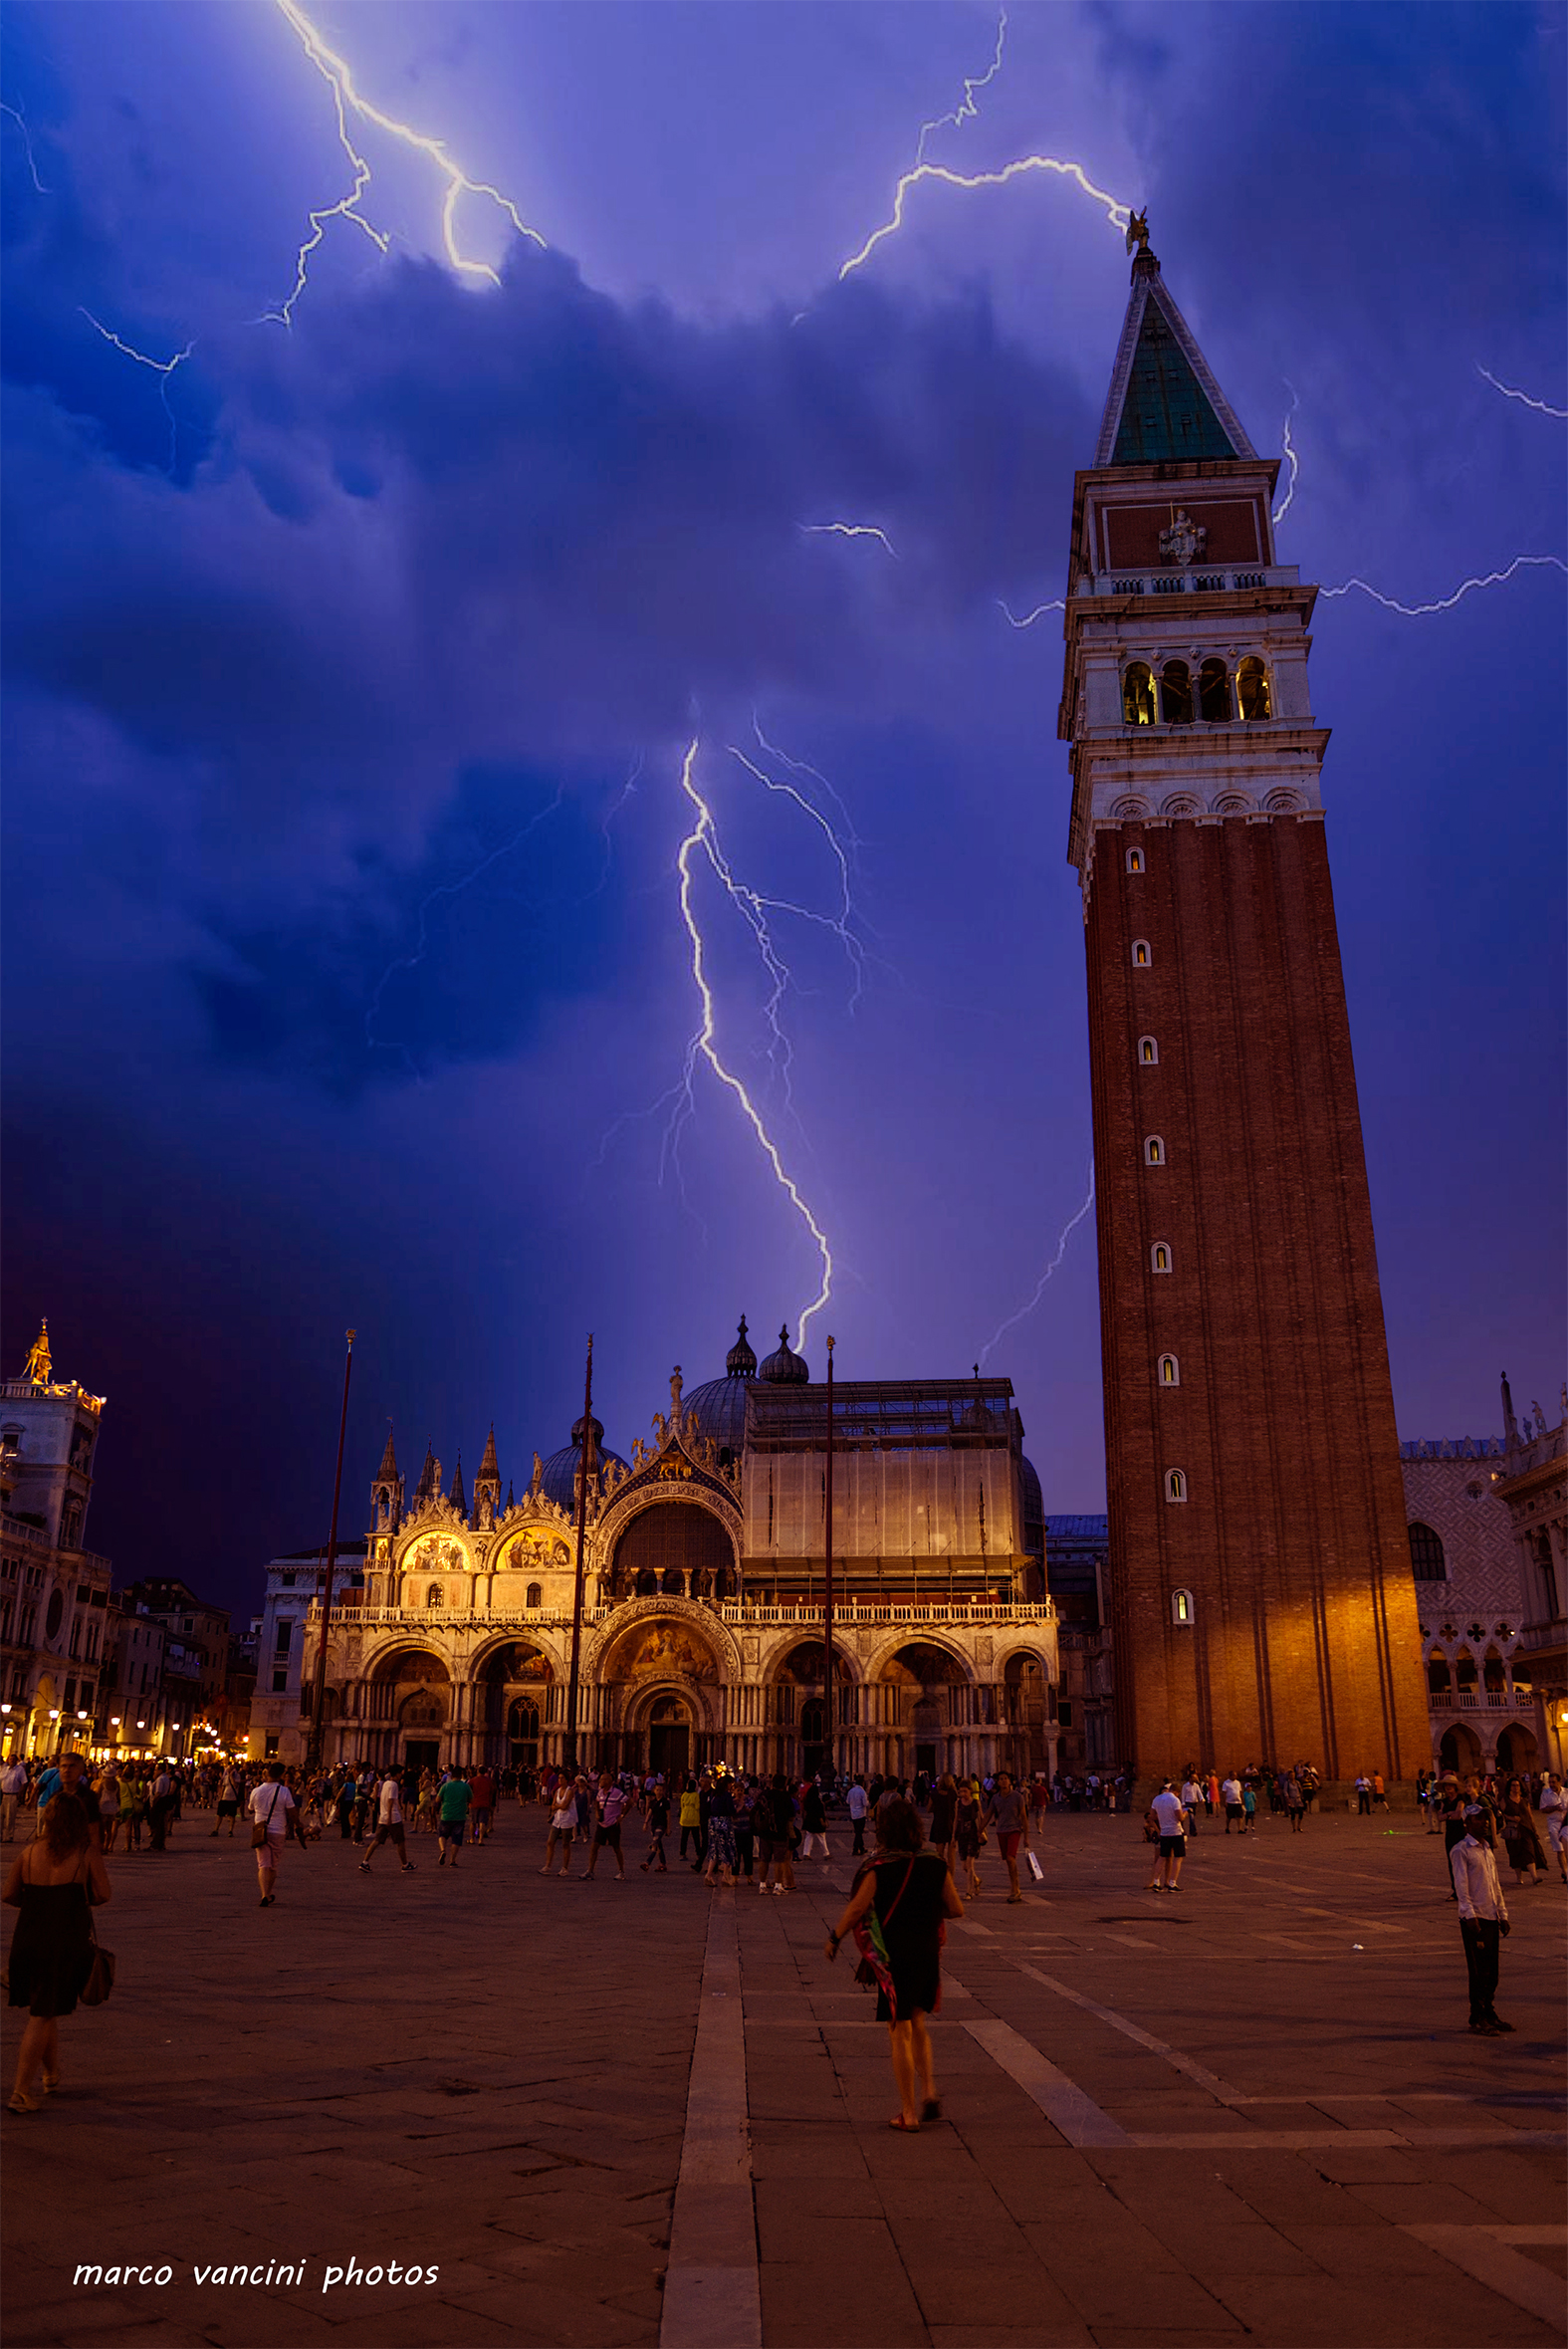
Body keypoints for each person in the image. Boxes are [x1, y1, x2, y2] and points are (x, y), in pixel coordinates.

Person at [823, 1795, 964, 2133]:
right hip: (927, 1950)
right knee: (919, 2023)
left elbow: (857, 1908)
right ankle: (929, 2089)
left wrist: (835, 1937)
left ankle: (908, 2113)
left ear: (884, 1830)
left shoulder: (879, 1867)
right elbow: (956, 1908)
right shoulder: (934, 1863)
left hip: (894, 1956)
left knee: (897, 2030)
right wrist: (925, 1911)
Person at [4, 1791, 112, 2112]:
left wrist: (38, 1902)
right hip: (64, 1941)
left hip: (28, 1937)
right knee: (42, 2014)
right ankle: (20, 2092)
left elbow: (9, 1894)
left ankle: (51, 2074)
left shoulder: (30, 1852)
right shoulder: (85, 1853)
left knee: (44, 2008)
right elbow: (103, 1894)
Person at [1452, 1811, 1512, 2034]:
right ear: (1467, 1824)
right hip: (1475, 1918)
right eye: (1478, 1819)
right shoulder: (1461, 1850)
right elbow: (1461, 1885)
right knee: (1479, 1972)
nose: (1484, 1822)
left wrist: (1503, 1914)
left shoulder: (1487, 1849)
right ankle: (1477, 2017)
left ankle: (1489, 2011)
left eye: (1485, 1819)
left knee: (1492, 1971)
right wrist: (1469, 1915)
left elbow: (1495, 1884)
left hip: (1491, 1916)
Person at [980, 1770, 1030, 1903]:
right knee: (1008, 1861)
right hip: (1001, 1830)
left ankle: (1016, 1890)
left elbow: (1024, 1817)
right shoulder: (995, 1798)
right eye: (1001, 1779)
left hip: (1014, 1830)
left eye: (1005, 1779)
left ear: (1010, 1781)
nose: (1003, 1781)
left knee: (1010, 1858)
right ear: (998, 1781)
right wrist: (979, 1830)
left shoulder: (1018, 1797)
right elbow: (988, 1815)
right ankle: (1014, 1887)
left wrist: (1026, 1837)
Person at [249, 1764, 295, 1907]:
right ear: (281, 1775)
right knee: (273, 1866)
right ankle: (268, 1893)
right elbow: (292, 1811)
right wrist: (297, 1823)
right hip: (278, 1831)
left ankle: (263, 1894)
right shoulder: (284, 1791)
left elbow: (250, 1808)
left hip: (260, 1831)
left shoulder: (256, 1791)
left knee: (263, 1864)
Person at [361, 1769, 416, 1876]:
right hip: (393, 1818)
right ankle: (405, 1865)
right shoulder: (394, 1785)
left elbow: (384, 1798)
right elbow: (390, 1800)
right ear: (396, 1774)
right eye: (400, 1773)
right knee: (400, 1842)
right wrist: (390, 1817)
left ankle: (365, 1862)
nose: (401, 1776)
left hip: (383, 1816)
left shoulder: (386, 1784)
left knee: (377, 1841)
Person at [1499, 1776, 1547, 1887]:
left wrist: (1534, 1829)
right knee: (1515, 1853)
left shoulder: (1524, 1800)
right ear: (1509, 1787)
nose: (1515, 1787)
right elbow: (1501, 1814)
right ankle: (1519, 1877)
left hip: (1526, 1829)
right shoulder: (1505, 1800)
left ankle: (1534, 1876)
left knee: (1529, 1851)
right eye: (1513, 1785)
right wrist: (1511, 1818)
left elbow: (1530, 1816)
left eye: (1517, 1785)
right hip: (1513, 1831)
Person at [1146, 1779, 1188, 1893]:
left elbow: (1153, 1816)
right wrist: (1186, 1813)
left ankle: (1156, 1882)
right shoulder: (1175, 1800)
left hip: (1164, 1832)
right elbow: (1180, 1817)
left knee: (1162, 1857)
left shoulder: (1157, 1799)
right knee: (1178, 1857)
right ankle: (1172, 1883)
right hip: (1175, 1831)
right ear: (1177, 1792)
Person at [584, 1774, 628, 1882]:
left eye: (602, 1779)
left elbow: (629, 1802)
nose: (600, 1781)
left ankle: (621, 1872)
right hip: (602, 1824)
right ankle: (590, 1870)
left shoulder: (617, 1792)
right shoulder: (600, 1792)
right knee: (594, 1846)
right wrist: (597, 1813)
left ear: (609, 1781)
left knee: (616, 1848)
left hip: (613, 1824)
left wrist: (621, 1816)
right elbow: (596, 1802)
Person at [954, 1779, 983, 1900]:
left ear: (970, 1790)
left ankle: (969, 1892)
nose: (963, 1794)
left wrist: (981, 1832)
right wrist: (953, 1837)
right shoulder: (958, 1803)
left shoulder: (975, 1803)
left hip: (973, 1834)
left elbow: (981, 1817)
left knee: (970, 1864)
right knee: (964, 1866)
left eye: (965, 1791)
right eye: (960, 1791)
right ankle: (976, 1880)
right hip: (961, 1835)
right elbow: (956, 1819)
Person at [542, 1780, 577, 1877]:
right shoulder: (557, 1791)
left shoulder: (569, 1791)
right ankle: (548, 1866)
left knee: (566, 1844)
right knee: (550, 1842)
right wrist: (558, 1806)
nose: (560, 1780)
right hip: (557, 1819)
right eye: (559, 1778)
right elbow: (553, 1806)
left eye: (562, 1778)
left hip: (567, 1819)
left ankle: (565, 1868)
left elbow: (565, 1806)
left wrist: (558, 1806)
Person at [1537, 1773, 1568, 1885]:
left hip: (1566, 1823)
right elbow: (1543, 1809)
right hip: (1554, 1823)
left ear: (1559, 1782)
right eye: (1550, 1782)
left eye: (1553, 1782)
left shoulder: (1566, 1792)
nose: (1551, 1785)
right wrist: (1554, 1808)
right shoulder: (1546, 1793)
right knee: (1560, 1850)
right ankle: (1566, 1872)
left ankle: (1565, 1871)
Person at [436, 1769, 472, 1867]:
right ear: (460, 1776)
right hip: (459, 1816)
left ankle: (443, 1850)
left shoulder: (446, 1786)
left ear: (451, 1776)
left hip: (446, 1814)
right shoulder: (465, 1786)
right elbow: (471, 1799)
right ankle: (452, 1860)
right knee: (456, 1839)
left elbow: (437, 1799)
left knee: (442, 1835)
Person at [928, 1773, 958, 1877]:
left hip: (938, 1824)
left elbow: (928, 1809)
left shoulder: (934, 1794)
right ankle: (951, 1880)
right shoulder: (953, 1794)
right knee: (951, 1856)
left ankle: (941, 1878)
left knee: (939, 1854)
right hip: (951, 1824)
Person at [641, 1781, 669, 1874]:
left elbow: (668, 1816)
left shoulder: (665, 1802)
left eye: (661, 1790)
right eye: (657, 1790)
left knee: (655, 1843)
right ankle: (663, 1863)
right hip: (654, 1824)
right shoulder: (653, 1802)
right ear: (654, 1790)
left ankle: (647, 1863)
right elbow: (650, 1813)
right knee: (659, 1845)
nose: (659, 1792)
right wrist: (646, 1823)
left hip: (662, 1824)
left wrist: (668, 1828)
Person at [799, 1779, 830, 1863]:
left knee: (809, 1837)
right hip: (817, 1822)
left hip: (809, 1821)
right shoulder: (818, 1802)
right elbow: (820, 1813)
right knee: (821, 1837)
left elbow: (805, 1810)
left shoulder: (808, 1801)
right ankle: (826, 1853)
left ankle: (806, 1853)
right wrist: (823, 1822)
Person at [0, 1756, 26, 1843]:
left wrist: (20, 1794)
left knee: (9, 1817)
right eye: (10, 1759)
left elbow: (24, 1782)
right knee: (1, 1816)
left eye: (14, 1759)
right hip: (3, 1795)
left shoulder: (20, 1770)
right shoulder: (4, 1769)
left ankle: (8, 1836)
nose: (12, 1761)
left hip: (13, 1795)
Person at [212, 1763, 242, 1838]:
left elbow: (235, 1785)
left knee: (232, 1816)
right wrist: (220, 1797)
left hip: (233, 1799)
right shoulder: (225, 1777)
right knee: (220, 1815)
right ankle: (216, 1830)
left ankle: (230, 1831)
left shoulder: (237, 1776)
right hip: (224, 1798)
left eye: (231, 1769)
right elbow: (222, 1787)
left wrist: (231, 1776)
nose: (229, 1770)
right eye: (228, 1769)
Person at [468, 1766, 495, 1846]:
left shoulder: (473, 1780)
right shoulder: (488, 1781)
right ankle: (481, 1840)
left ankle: (472, 1839)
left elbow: (468, 1790)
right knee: (482, 1822)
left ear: (477, 1771)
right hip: (485, 1803)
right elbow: (492, 1792)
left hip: (474, 1803)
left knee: (473, 1822)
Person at [847, 1777, 869, 1856]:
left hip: (853, 1814)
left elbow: (848, 1801)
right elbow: (865, 1803)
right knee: (859, 1832)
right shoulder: (862, 1792)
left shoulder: (851, 1791)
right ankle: (855, 1848)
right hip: (861, 1814)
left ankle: (862, 1848)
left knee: (858, 1831)